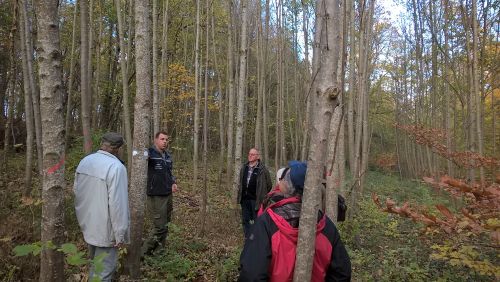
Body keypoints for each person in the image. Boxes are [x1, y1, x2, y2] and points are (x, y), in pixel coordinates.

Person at [239, 161, 351, 282]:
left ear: (287, 186)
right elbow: (342, 274)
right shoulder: (326, 225)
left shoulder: (267, 222)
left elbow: (251, 275)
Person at [73, 132, 129, 281]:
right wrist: (120, 234)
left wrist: (83, 220)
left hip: (88, 225)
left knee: (95, 266)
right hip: (106, 230)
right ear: (117, 149)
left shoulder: (85, 161)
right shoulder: (116, 167)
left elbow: (76, 191)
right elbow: (118, 205)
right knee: (103, 273)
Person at [141, 131, 178, 256]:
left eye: (166, 139)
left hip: (168, 194)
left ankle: (159, 252)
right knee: (159, 227)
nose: (165, 142)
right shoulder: (149, 153)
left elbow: (169, 172)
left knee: (166, 225)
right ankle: (142, 253)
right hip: (155, 195)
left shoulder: (167, 155)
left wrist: (173, 182)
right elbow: (138, 158)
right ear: (156, 140)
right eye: (162, 139)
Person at [237, 148, 272, 239]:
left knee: (257, 220)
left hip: (256, 200)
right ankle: (248, 237)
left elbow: (269, 185)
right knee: (246, 220)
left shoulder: (262, 170)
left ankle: (255, 238)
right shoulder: (244, 167)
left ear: (257, 156)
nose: (250, 155)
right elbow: (241, 182)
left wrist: (261, 195)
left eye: (253, 154)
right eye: (249, 154)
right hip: (244, 199)